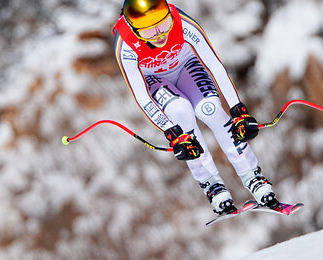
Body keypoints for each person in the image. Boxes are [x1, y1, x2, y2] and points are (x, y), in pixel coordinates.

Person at [112, 0, 279, 215]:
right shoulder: (125, 47)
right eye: (149, 32)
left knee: (209, 108)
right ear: (135, 30)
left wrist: (238, 110)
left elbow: (216, 67)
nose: (159, 34)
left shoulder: (184, 24)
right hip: (155, 79)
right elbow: (141, 96)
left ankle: (252, 176)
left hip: (186, 66)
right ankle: (212, 185)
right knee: (180, 112)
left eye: (164, 24)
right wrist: (171, 131)